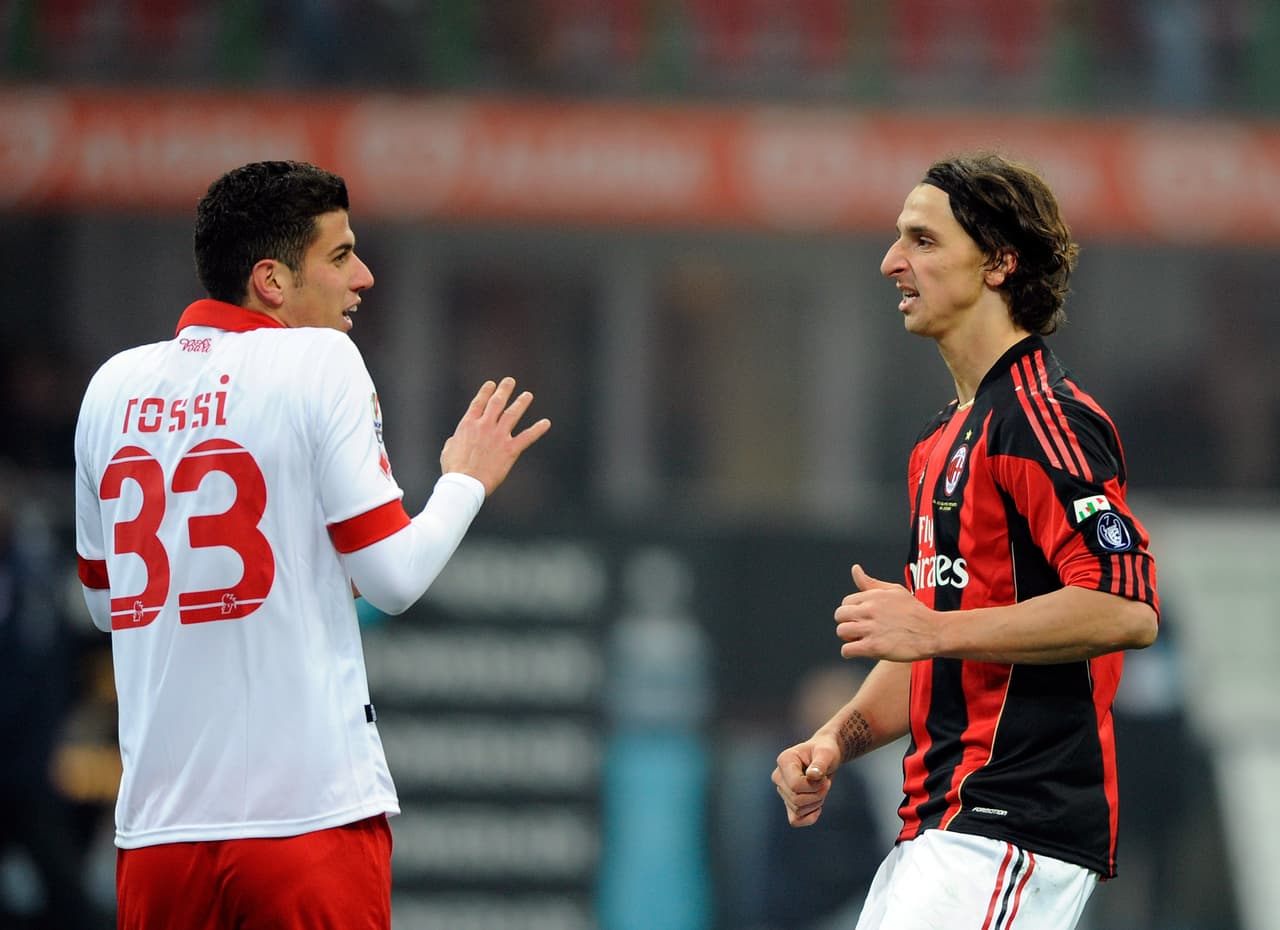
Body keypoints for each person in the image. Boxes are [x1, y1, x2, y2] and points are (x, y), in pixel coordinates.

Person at [73, 160, 550, 930]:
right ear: (271, 280)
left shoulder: (110, 387)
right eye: (339, 256)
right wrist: (465, 480)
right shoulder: (319, 360)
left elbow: (106, 604)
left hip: (158, 835)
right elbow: (393, 578)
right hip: (306, 820)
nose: (362, 277)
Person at [772, 153, 1160, 930]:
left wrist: (935, 627)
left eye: (922, 239)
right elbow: (931, 645)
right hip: (939, 829)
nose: (892, 262)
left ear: (999, 263)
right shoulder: (940, 440)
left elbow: (1125, 606)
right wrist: (836, 740)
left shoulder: (1043, 417)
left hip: (1013, 827)